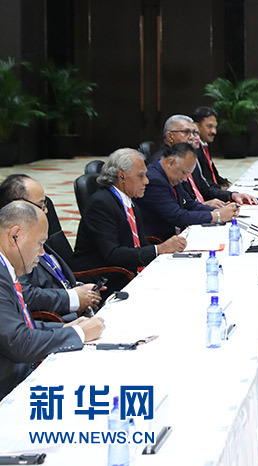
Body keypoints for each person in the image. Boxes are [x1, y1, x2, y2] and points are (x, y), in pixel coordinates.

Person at [0, 201, 105, 398]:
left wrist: (64, 328)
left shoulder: (5, 268)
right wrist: (79, 334)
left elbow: (19, 326)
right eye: (40, 244)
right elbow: (18, 343)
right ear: (15, 236)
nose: (42, 253)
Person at [0, 175, 101, 319]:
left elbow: (55, 275)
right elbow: (24, 294)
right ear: (19, 207)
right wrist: (73, 298)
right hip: (56, 320)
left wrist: (80, 290)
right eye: (41, 205)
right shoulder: (17, 248)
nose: (46, 210)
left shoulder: (35, 232)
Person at [71, 148, 188, 274]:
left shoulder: (129, 202)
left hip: (126, 270)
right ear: (121, 176)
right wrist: (159, 249)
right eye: (141, 176)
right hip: (104, 276)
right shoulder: (101, 204)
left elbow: (140, 244)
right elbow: (113, 254)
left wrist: (165, 250)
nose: (146, 181)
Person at [135, 142, 238, 239]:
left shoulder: (171, 175)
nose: (185, 179)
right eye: (184, 173)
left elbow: (190, 204)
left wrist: (218, 210)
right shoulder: (154, 180)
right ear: (170, 162)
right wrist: (217, 216)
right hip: (159, 240)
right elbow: (178, 216)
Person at [157, 114, 255, 206]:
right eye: (186, 132)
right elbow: (173, 207)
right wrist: (206, 207)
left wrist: (232, 195)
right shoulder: (163, 162)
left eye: (194, 133)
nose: (192, 137)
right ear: (170, 136)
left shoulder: (186, 157)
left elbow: (205, 190)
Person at [194, 106, 230, 188]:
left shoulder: (204, 145)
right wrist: (222, 190)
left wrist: (226, 183)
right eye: (209, 126)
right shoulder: (194, 149)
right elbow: (201, 181)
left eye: (215, 127)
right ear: (196, 126)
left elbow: (213, 175)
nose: (214, 131)